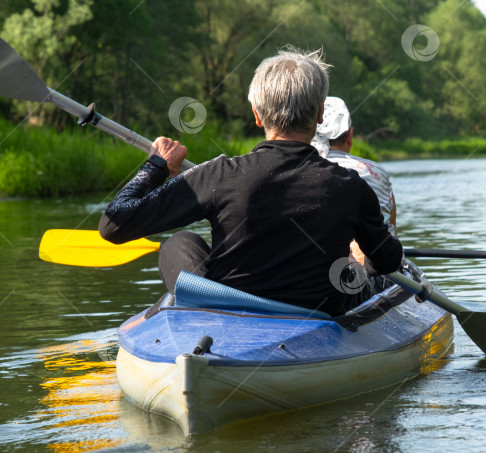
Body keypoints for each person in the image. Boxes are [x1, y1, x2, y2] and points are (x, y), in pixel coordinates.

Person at [98, 47, 402, 317]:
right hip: (317, 313)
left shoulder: (218, 175)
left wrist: (156, 167)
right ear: (320, 113)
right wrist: (356, 262)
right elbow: (386, 262)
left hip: (233, 311)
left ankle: (194, 311)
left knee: (177, 244)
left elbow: (114, 225)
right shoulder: (351, 185)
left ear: (256, 115)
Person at [311, 96, 397, 235]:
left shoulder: (305, 170)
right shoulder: (378, 171)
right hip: (385, 253)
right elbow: (392, 227)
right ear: (350, 136)